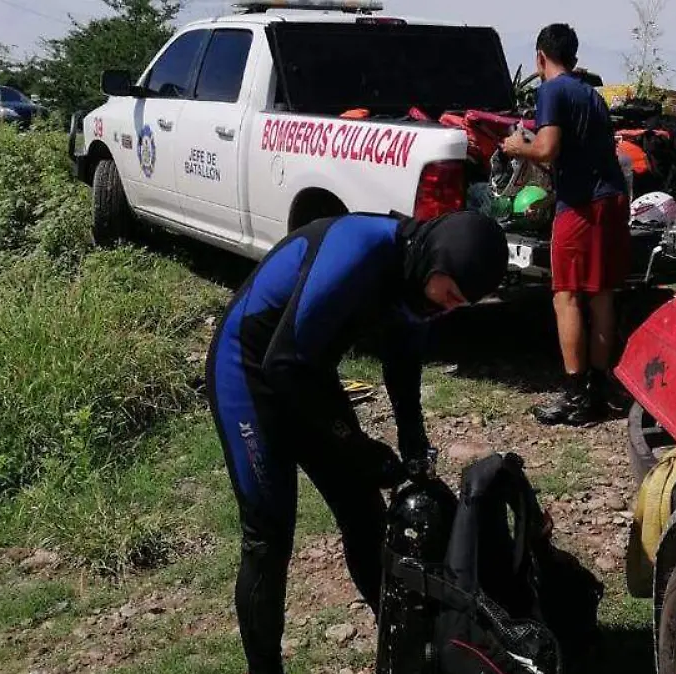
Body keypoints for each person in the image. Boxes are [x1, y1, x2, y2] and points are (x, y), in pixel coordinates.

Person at [204, 210, 508, 674]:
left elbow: (403, 371)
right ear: (437, 263)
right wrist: (359, 447)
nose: (447, 307)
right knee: (268, 536)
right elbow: (282, 363)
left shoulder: (419, 278)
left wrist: (411, 447)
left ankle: (406, 649)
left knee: (366, 515)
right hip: (248, 371)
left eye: (458, 304)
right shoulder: (362, 248)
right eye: (449, 296)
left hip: (305, 373)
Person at [501, 23, 630, 427]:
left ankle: (575, 396)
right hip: (611, 198)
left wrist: (515, 146)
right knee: (602, 294)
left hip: (582, 206)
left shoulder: (551, 90)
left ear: (540, 56)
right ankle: (600, 384)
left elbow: (546, 149)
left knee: (567, 295)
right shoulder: (589, 92)